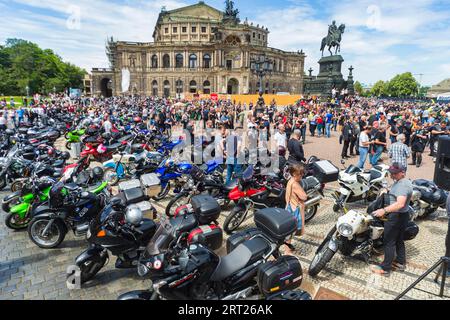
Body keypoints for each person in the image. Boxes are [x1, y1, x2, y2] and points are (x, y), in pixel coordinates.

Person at [371, 163, 413, 276]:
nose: (392, 175)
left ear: (402, 172)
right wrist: (387, 190)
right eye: (391, 173)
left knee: (389, 242)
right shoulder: (404, 182)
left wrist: (384, 211)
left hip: (396, 216)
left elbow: (400, 203)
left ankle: (385, 268)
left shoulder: (402, 186)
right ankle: (400, 262)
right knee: (399, 240)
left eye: (394, 173)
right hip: (403, 216)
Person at [284, 163, 307, 256]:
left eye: (302, 173)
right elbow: (304, 197)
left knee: (289, 230)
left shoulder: (290, 181)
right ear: (294, 174)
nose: (301, 176)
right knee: (290, 231)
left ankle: (287, 248)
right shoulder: (295, 184)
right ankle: (287, 251)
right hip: (294, 209)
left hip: (289, 206)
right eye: (300, 174)